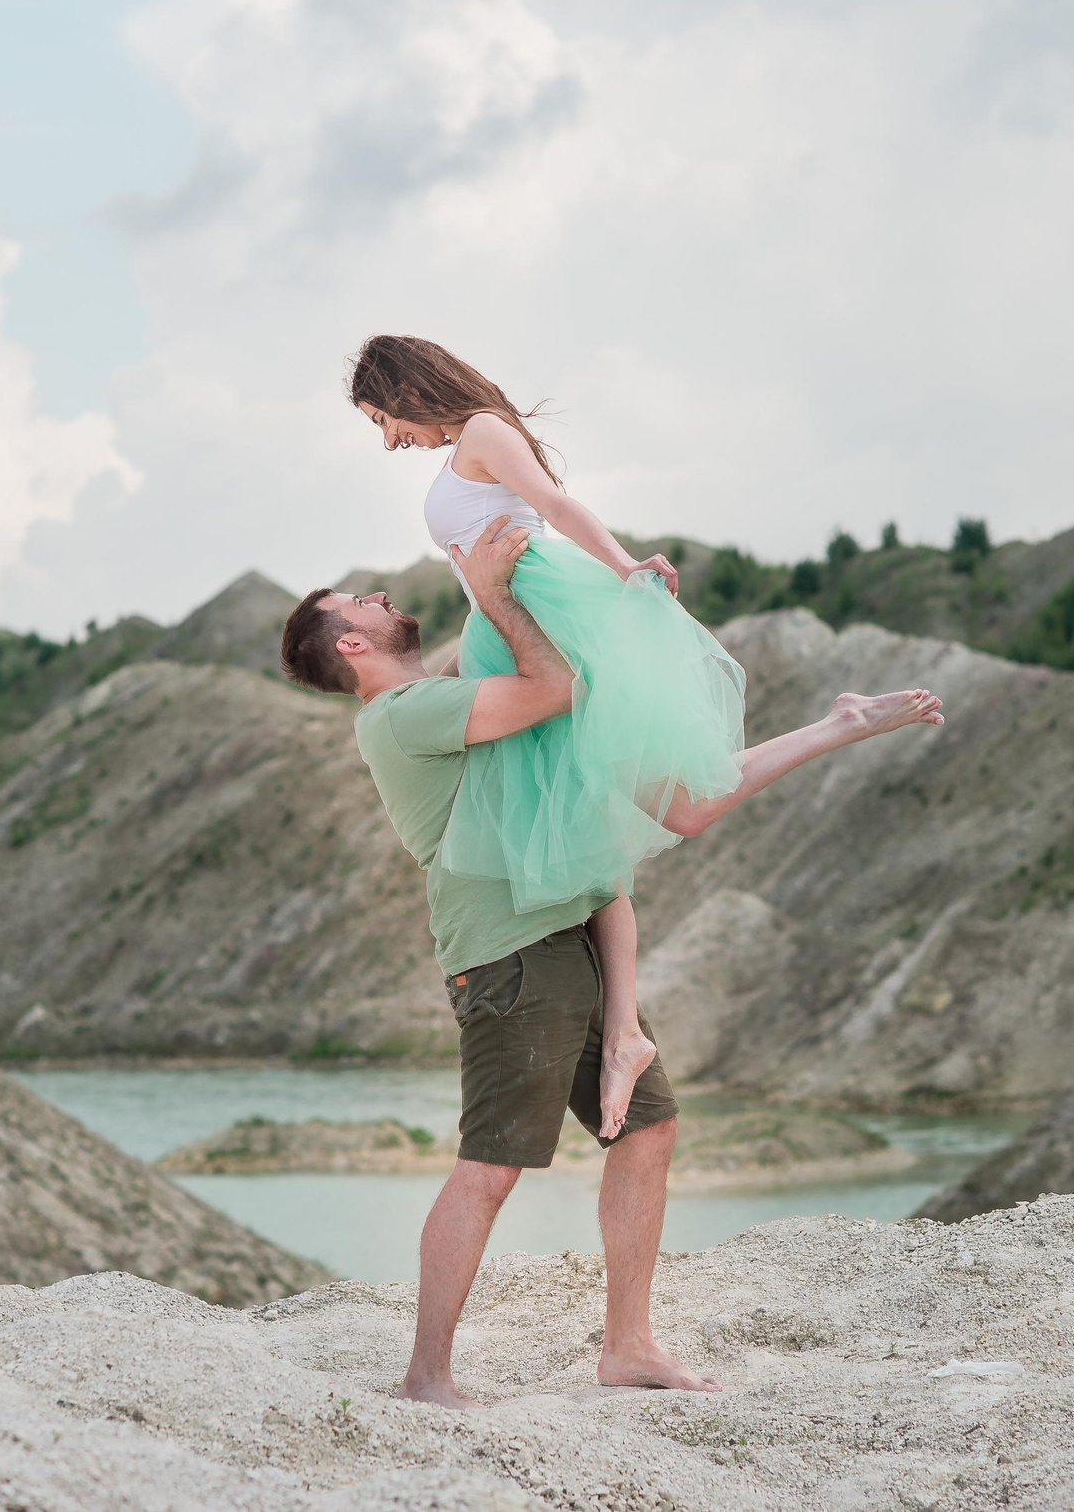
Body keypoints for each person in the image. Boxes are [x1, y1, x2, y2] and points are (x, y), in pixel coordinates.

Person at [279, 516, 942, 1408]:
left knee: (648, 1128)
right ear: (351, 643)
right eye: (360, 601)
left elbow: (578, 703)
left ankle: (628, 1344)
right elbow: (553, 686)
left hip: (570, 932)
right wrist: (497, 590)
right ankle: (426, 1375)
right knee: (491, 1165)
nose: (382, 594)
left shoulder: (440, 694)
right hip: (512, 957)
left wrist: (611, 597)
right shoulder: (403, 714)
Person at [345, 333, 748, 1140]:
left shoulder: (485, 430)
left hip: (529, 610)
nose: (388, 440)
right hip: (499, 621)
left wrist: (627, 565)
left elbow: (558, 509)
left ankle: (626, 1031)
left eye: (383, 418)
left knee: (591, 812)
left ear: (410, 389)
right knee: (585, 817)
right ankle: (625, 1032)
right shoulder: (473, 442)